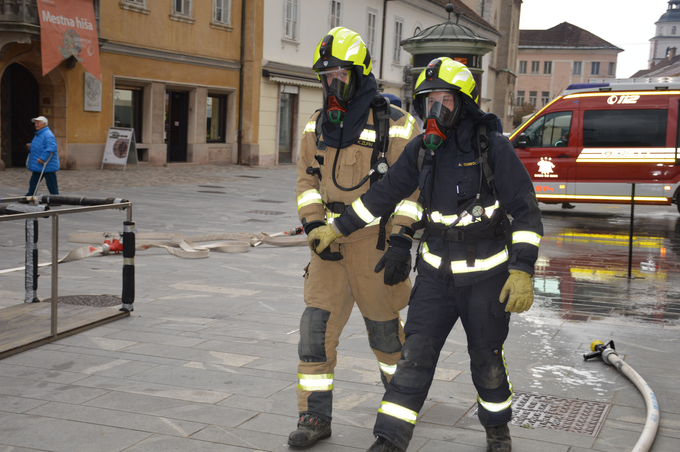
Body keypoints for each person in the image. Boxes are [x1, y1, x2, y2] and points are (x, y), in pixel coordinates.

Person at [309, 57, 544, 452]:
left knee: (486, 360)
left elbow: (525, 211)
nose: (435, 109)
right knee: (414, 357)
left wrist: (521, 269)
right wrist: (337, 227)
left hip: (486, 280)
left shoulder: (493, 148)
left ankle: (497, 430)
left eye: (444, 100)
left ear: (463, 103)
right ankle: (389, 439)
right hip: (435, 277)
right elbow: (381, 197)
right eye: (428, 100)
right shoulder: (422, 150)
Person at [290, 27, 421, 448]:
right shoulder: (316, 125)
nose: (331, 84)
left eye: (339, 75)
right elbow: (306, 182)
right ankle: (314, 417)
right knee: (315, 332)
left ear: (361, 74)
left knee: (386, 337)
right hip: (328, 247)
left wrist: (402, 239)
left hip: (375, 248)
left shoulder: (399, 126)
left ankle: (398, 414)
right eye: (325, 76)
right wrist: (313, 229)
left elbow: (411, 189)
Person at [25, 116, 59, 196]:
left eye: (38, 123)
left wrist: (43, 158)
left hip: (47, 164)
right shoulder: (38, 134)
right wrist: (31, 146)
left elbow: (51, 148)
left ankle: (56, 199)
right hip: (39, 165)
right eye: (35, 123)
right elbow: (39, 146)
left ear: (44, 124)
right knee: (33, 182)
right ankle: (30, 196)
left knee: (51, 184)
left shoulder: (48, 135)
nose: (36, 125)